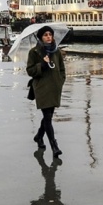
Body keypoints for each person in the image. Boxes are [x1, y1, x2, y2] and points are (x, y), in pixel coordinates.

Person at [27, 25, 66, 158]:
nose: (49, 37)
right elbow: (30, 71)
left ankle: (39, 136)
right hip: (42, 88)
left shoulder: (56, 51)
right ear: (41, 37)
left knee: (47, 116)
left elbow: (62, 69)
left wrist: (60, 82)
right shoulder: (34, 52)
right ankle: (54, 146)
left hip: (54, 87)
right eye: (45, 35)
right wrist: (42, 65)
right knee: (48, 117)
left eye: (50, 34)